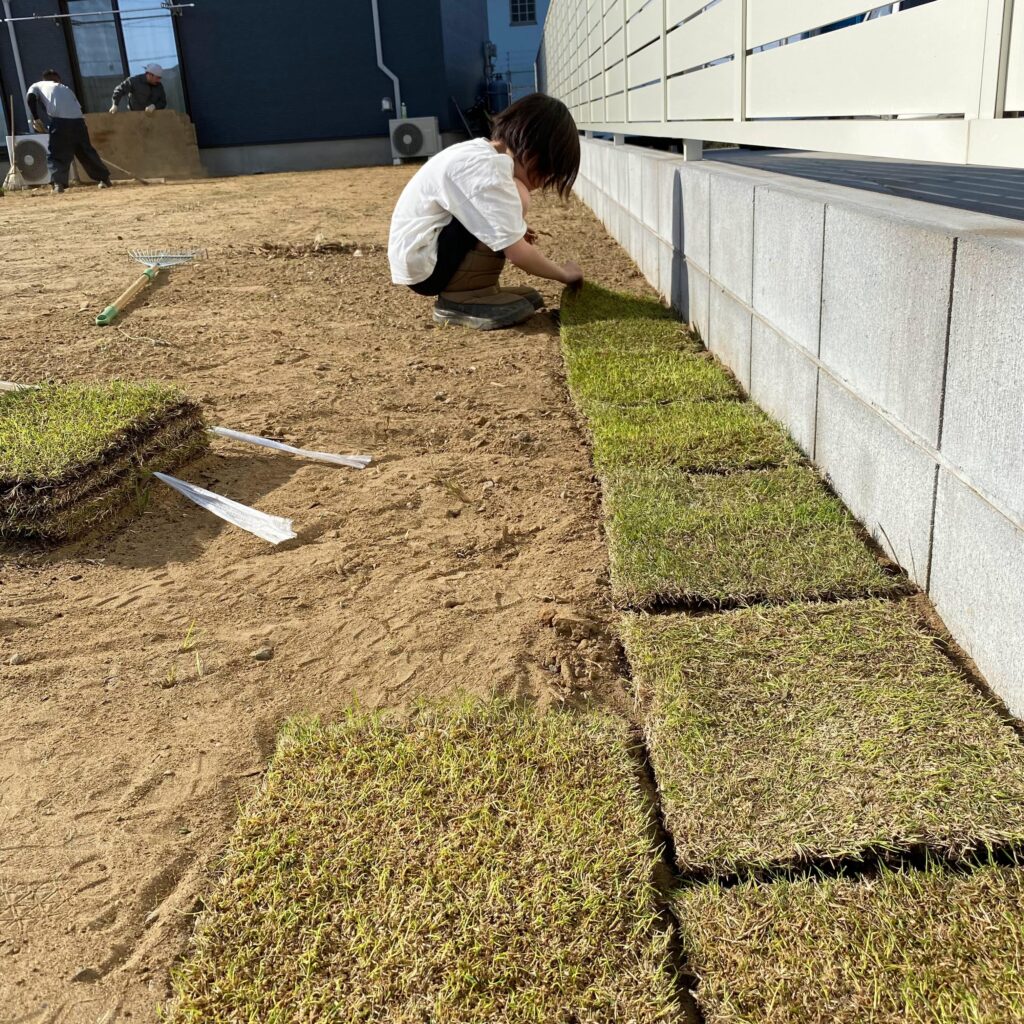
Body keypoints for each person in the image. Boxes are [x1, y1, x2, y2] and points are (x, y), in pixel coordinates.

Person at [388, 93, 583, 330]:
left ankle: (481, 290)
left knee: (511, 203)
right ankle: (464, 297)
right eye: (547, 174)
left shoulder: (479, 153)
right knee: (518, 193)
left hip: (426, 254)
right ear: (534, 156)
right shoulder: (487, 170)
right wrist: (564, 274)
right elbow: (518, 253)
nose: (542, 184)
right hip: (427, 268)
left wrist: (513, 225)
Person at [26, 70, 112, 195]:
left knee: (57, 153)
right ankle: (104, 179)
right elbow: (77, 108)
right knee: (85, 151)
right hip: (79, 122)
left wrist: (36, 118)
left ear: (45, 79)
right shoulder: (66, 89)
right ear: (58, 79)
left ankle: (58, 184)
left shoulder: (37, 85)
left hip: (60, 122)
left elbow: (30, 98)